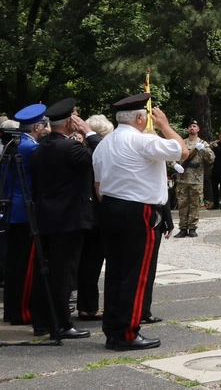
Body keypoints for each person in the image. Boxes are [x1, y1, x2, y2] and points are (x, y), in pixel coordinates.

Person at [92, 94, 186, 351]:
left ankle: (113, 329)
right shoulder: (143, 140)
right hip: (138, 210)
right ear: (140, 118)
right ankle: (128, 332)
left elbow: (98, 185)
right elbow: (183, 151)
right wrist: (165, 125)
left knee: (115, 272)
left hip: (110, 208)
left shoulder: (104, 143)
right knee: (137, 274)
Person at [28, 98, 94, 340]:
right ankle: (62, 323)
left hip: (46, 216)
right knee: (64, 273)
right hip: (68, 219)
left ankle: (42, 321)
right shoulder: (72, 148)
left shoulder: (41, 146)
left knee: (44, 270)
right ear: (70, 122)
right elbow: (100, 155)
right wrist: (89, 132)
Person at [2, 105, 48, 326]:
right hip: (26, 210)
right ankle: (23, 311)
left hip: (13, 207)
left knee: (15, 265)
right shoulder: (31, 147)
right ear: (37, 126)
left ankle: (12, 309)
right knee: (27, 267)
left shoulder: (15, 144)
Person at [76, 112, 113, 322]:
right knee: (92, 263)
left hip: (83, 214)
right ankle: (89, 307)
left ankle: (86, 305)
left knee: (86, 264)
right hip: (96, 215)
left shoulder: (80, 152)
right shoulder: (96, 153)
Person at [176, 120, 213, 237]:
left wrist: (202, 149)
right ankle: (182, 228)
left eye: (194, 126)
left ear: (198, 129)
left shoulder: (203, 143)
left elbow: (211, 158)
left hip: (196, 180)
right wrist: (175, 165)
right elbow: (172, 156)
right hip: (182, 179)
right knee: (182, 204)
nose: (192, 128)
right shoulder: (182, 142)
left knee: (195, 205)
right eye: (190, 126)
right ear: (187, 130)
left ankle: (192, 228)